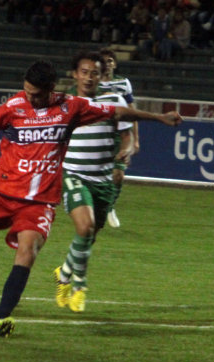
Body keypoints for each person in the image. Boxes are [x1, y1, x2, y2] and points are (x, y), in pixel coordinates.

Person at [0, 60, 182, 337]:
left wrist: (159, 118)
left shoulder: (71, 106)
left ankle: (0, 319)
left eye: (36, 94)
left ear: (51, 89)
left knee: (28, 252)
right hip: (1, 192)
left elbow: (117, 111)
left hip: (39, 202)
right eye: (26, 91)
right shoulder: (13, 107)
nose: (30, 97)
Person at [53, 51, 134, 313]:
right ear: (75, 74)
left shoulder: (114, 100)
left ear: (102, 76)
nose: (89, 78)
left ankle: (64, 272)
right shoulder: (63, 103)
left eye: (94, 73)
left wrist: (123, 158)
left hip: (103, 179)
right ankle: (79, 286)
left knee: (89, 235)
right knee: (85, 226)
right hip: (73, 175)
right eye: (84, 72)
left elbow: (126, 136)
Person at [98, 48, 138, 228]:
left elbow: (132, 111)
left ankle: (110, 206)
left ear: (115, 63)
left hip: (121, 135)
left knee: (119, 175)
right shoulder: (93, 84)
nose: (108, 64)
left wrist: (136, 140)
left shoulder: (123, 83)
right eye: (104, 61)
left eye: (110, 61)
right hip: (99, 135)